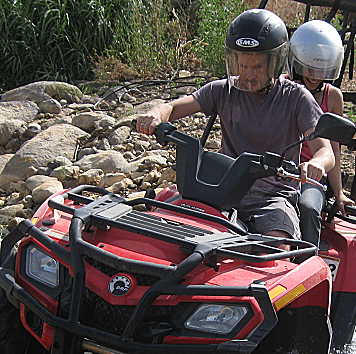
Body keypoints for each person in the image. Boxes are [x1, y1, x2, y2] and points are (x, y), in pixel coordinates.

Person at [136, 8, 334, 242]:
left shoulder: (296, 97)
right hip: (225, 191)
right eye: (243, 65)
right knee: (172, 235)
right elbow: (175, 107)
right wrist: (154, 114)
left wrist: (316, 164)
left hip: (274, 197)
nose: (248, 75)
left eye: (258, 66)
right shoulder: (223, 90)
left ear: (275, 63)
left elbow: (326, 151)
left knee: (278, 246)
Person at [289, 19, 355, 249]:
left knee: (307, 207)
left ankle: (308, 262)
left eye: (321, 69)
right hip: (281, 167)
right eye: (309, 67)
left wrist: (339, 193)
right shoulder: (284, 87)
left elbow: (333, 148)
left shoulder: (333, 97)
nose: (314, 75)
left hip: (313, 173)